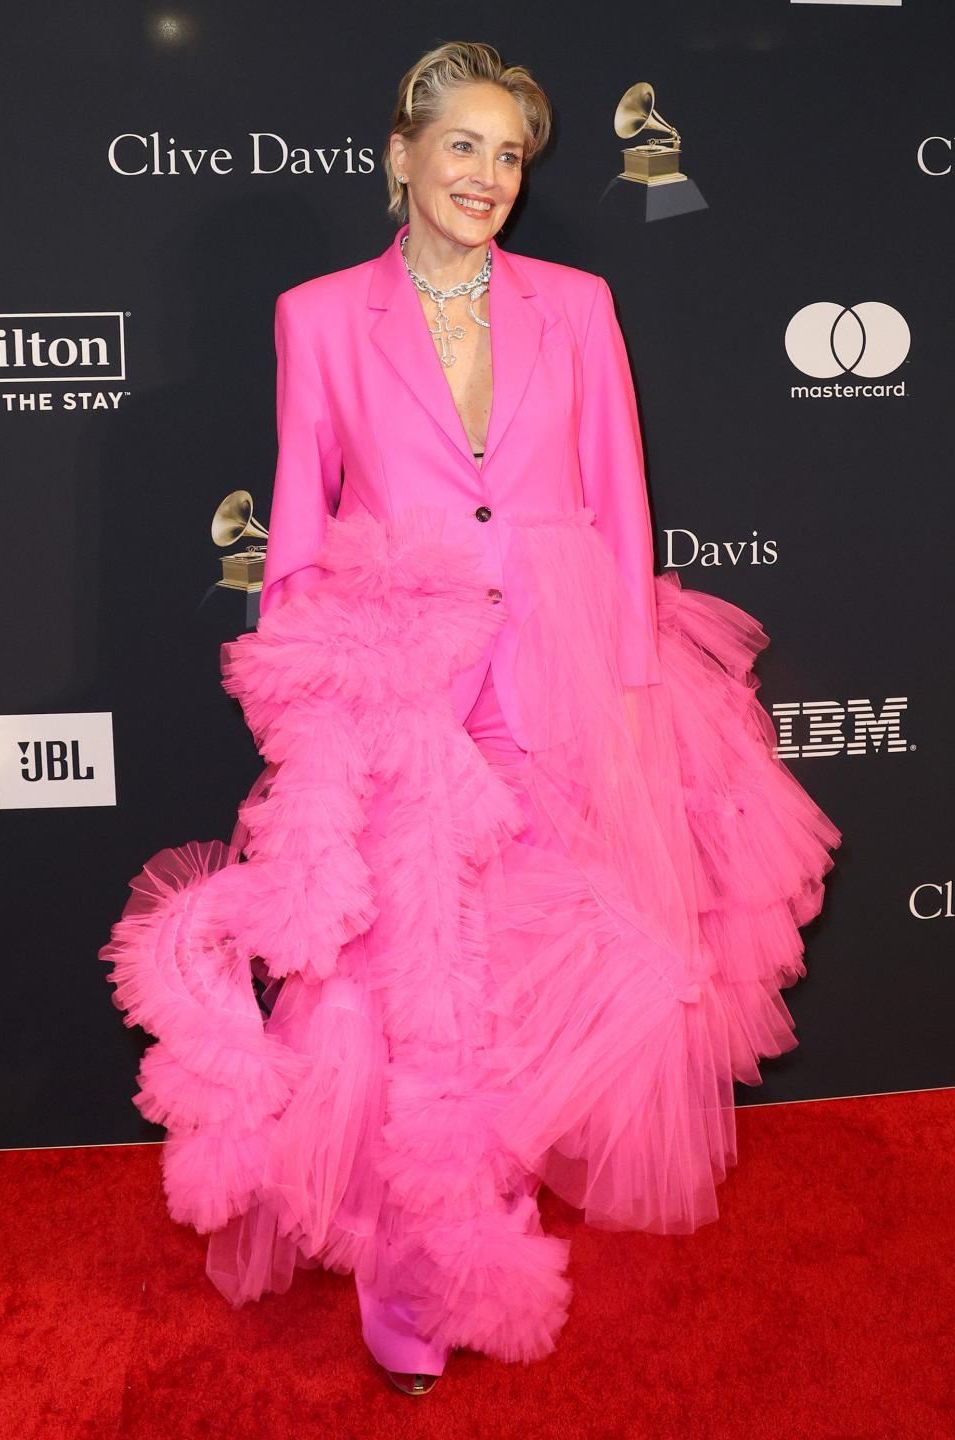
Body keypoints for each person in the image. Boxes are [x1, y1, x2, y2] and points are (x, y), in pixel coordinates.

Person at [100, 40, 840, 1399]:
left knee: (564, 960)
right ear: (401, 152)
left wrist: (622, 685)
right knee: (396, 981)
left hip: (560, 672)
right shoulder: (319, 316)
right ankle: (401, 1258)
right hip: (397, 681)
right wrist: (302, 695)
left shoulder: (578, 302)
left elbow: (622, 498)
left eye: (509, 155)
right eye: (463, 146)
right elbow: (300, 520)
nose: (487, 176)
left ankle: (463, 1210)